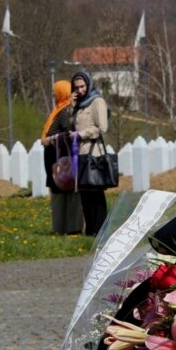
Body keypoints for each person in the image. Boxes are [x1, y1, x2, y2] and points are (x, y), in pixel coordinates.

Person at [41, 80, 83, 235]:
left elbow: (69, 131)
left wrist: (50, 140)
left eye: (55, 92)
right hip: (56, 159)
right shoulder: (58, 111)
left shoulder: (66, 111)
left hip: (64, 160)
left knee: (70, 193)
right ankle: (61, 228)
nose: (53, 94)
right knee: (59, 194)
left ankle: (72, 228)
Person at [70, 71, 109, 236]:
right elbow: (70, 126)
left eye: (82, 86)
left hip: (94, 152)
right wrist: (70, 107)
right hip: (80, 153)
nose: (80, 90)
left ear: (88, 84)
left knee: (95, 192)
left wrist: (82, 134)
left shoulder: (97, 101)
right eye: (76, 87)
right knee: (85, 193)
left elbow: (102, 127)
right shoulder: (79, 105)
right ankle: (90, 230)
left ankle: (100, 229)